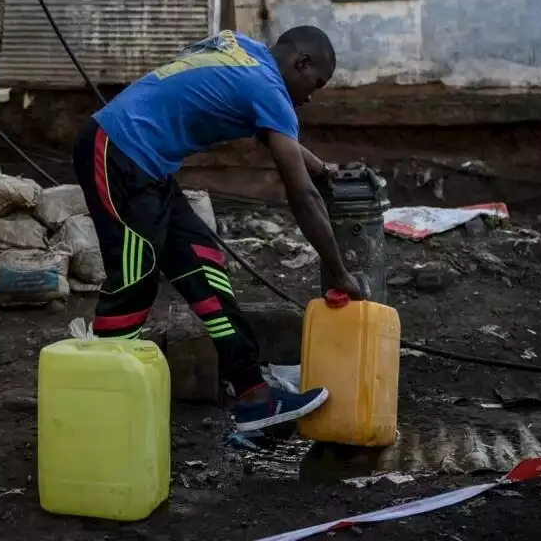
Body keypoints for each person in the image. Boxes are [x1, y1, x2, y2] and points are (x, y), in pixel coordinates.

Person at [72, 26, 365, 433]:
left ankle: (253, 397)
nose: (310, 96)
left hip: (149, 166)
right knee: (135, 280)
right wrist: (339, 272)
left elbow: (273, 136)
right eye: (314, 84)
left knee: (204, 270)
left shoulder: (239, 46)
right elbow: (302, 196)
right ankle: (96, 413)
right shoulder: (269, 91)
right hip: (116, 149)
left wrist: (322, 170)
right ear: (301, 63)